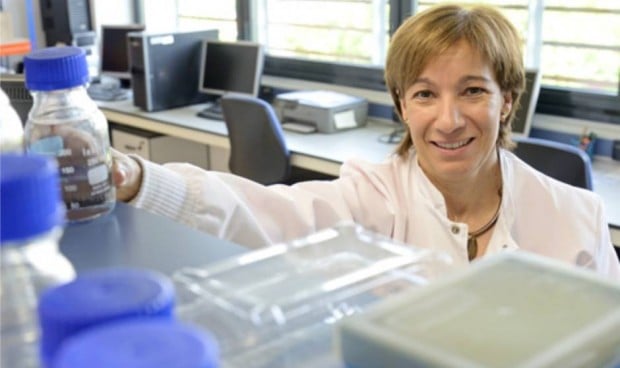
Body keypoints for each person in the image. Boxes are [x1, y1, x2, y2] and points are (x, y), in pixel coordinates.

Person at [112, 3, 620, 280]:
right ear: (401, 105)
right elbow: (258, 210)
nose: (448, 120)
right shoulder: (369, 201)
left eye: (471, 91)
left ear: (506, 100)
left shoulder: (578, 217)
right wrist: (139, 179)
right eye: (425, 93)